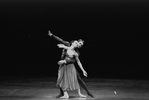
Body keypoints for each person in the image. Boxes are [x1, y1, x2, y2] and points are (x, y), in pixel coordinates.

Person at [48, 30, 94, 98]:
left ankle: (87, 92)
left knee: (78, 78)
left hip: (69, 65)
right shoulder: (67, 44)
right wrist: (51, 35)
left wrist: (83, 70)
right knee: (60, 78)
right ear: (76, 42)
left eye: (82, 45)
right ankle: (62, 93)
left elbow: (74, 61)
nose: (80, 45)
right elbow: (60, 40)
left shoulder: (77, 52)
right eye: (80, 43)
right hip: (63, 65)